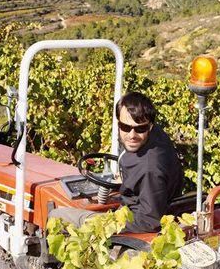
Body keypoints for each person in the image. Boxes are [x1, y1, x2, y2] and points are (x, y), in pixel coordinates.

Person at [49, 92, 183, 233]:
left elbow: (150, 221)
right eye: (125, 127)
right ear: (119, 123)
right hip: (133, 204)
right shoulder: (152, 134)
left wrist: (111, 224)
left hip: (136, 219)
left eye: (140, 129)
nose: (132, 135)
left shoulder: (149, 169)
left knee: (57, 216)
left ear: (150, 126)